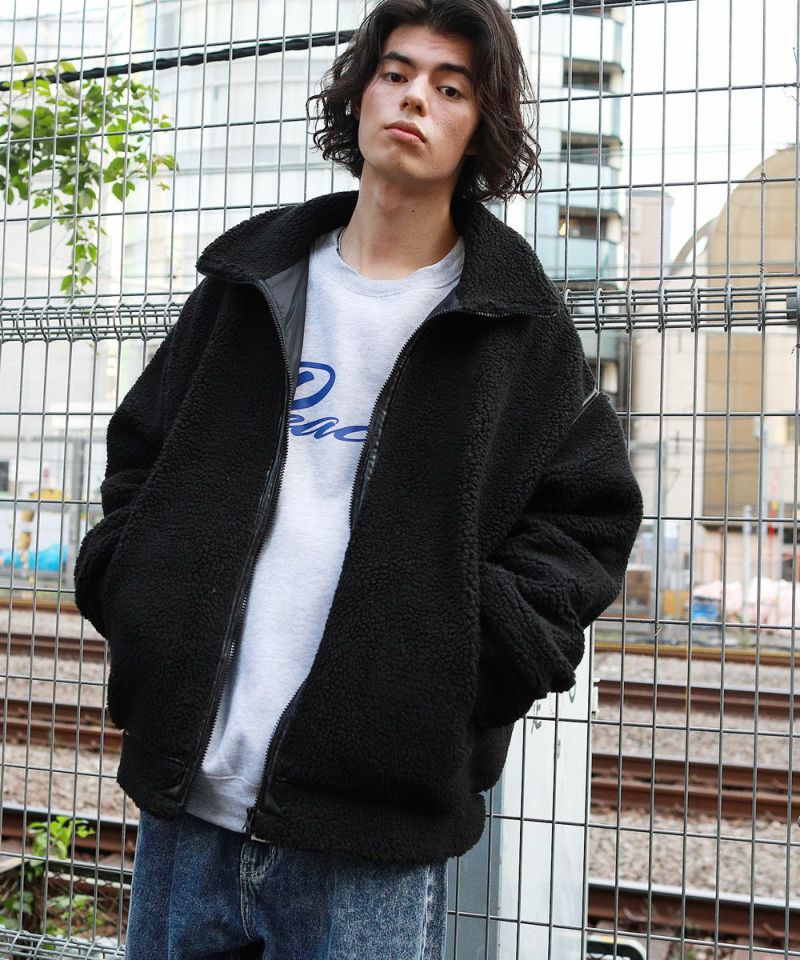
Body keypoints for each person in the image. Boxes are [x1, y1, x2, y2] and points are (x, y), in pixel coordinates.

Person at [73, 0, 644, 956]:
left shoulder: (515, 326)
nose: (415, 98)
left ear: (482, 128)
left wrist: (464, 666)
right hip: (188, 798)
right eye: (397, 72)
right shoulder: (251, 281)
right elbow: (140, 452)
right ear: (360, 94)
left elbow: (588, 524)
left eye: (451, 88)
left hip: (368, 831)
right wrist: (131, 585)